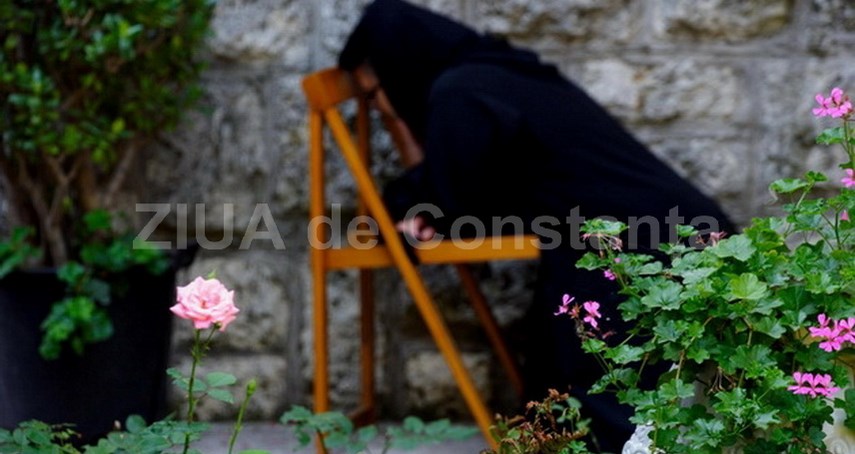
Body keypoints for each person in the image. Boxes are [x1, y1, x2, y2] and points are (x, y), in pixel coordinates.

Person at [338, 0, 736, 451]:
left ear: (396, 67)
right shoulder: (497, 74)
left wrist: (412, 196)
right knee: (567, 393)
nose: (379, 108)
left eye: (374, 94)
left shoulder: (461, 92)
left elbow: (457, 200)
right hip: (671, 233)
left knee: (602, 399)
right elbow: (482, 192)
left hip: (640, 248)